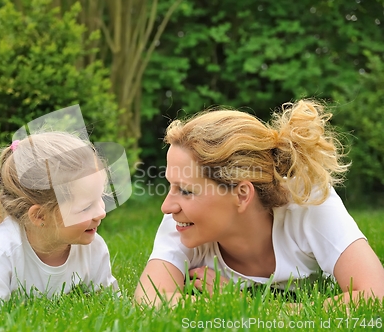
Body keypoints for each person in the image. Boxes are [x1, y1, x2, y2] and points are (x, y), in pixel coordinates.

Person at [135, 99, 384, 307]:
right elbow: (148, 299)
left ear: (242, 194)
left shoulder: (310, 201)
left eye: (186, 190)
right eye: (172, 186)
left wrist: (243, 304)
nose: (167, 207)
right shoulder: (183, 221)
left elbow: (375, 295)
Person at [0, 131, 118, 306]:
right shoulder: (3, 252)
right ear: (39, 215)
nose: (101, 212)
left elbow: (110, 303)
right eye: (86, 207)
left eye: (100, 198)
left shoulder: (94, 248)